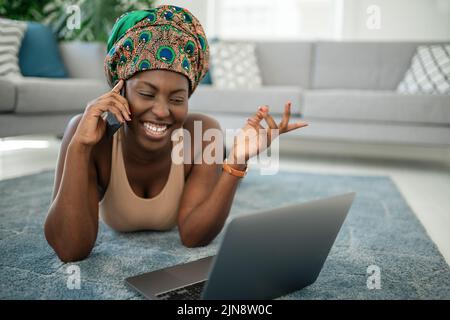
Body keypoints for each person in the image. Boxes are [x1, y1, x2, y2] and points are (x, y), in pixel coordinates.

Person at [44, 5, 308, 262]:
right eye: (146, 94)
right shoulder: (87, 132)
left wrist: (237, 162)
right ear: (119, 91)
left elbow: (194, 237)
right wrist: (79, 147)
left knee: (222, 165)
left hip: (195, 150)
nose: (161, 111)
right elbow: (70, 250)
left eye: (178, 98)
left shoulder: (203, 131)